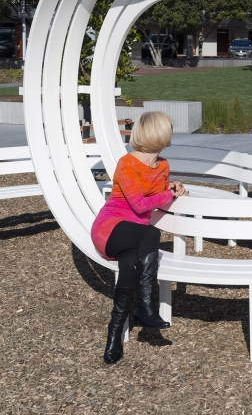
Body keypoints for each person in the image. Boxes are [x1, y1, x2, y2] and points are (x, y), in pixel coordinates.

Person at [90, 111, 188, 365]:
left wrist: (174, 187)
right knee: (150, 232)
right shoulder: (127, 164)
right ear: (158, 133)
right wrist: (168, 195)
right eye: (169, 128)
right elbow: (140, 205)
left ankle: (114, 334)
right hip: (110, 229)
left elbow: (159, 193)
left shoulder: (163, 166)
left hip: (137, 237)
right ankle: (145, 306)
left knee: (129, 266)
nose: (172, 132)